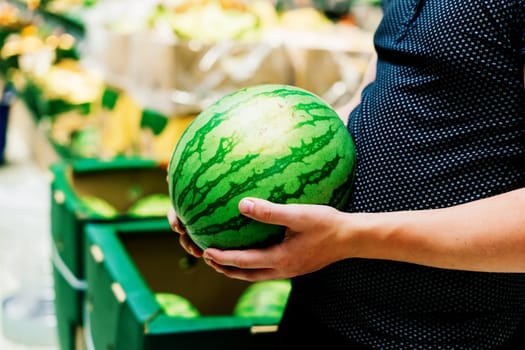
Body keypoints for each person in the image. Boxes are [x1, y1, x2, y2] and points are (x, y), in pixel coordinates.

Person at [168, 0, 525, 348]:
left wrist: (352, 237)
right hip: (320, 306)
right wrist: (223, 173)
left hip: (441, 336)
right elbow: (383, 84)